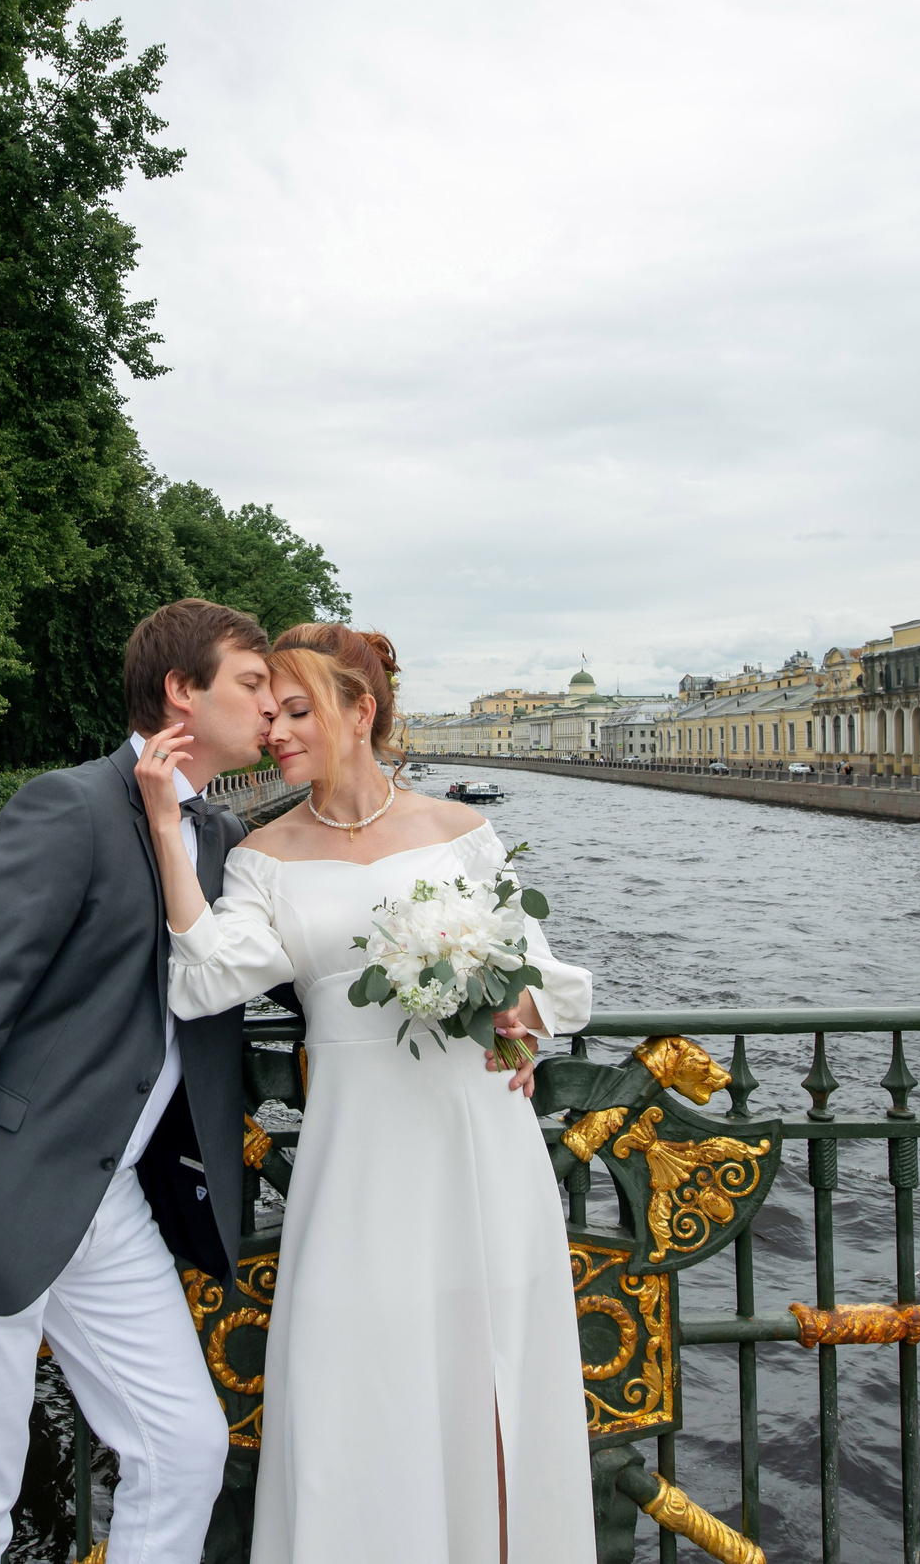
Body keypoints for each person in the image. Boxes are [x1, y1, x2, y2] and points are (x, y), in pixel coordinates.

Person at [135, 623, 597, 1564]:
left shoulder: (461, 833)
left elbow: (548, 978)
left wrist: (519, 1010)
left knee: (485, 1368)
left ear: (363, 711)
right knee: (357, 1376)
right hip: (356, 1153)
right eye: (271, 713)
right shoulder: (264, 852)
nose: (276, 731)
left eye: (298, 710)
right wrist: (163, 834)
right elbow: (207, 977)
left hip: (478, 1140)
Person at [0, 599, 279, 1564]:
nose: (270, 708)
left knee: (185, 1445)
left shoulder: (211, 834)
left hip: (110, 1197)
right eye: (252, 685)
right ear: (180, 691)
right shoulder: (68, 805)